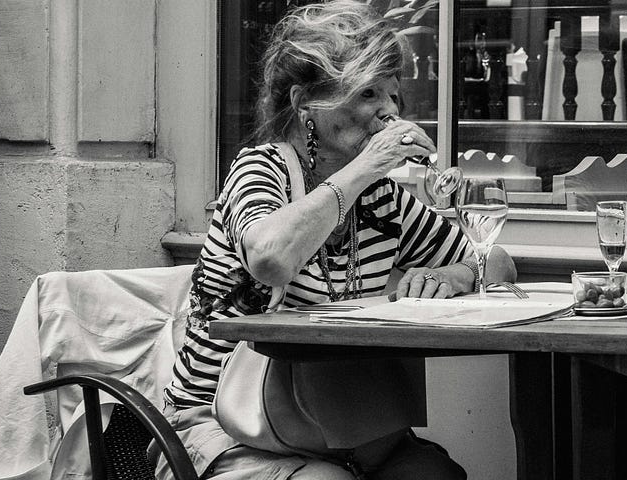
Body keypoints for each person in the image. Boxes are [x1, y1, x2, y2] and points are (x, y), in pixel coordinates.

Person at [160, 2, 514, 478]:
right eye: (368, 93)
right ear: (306, 102)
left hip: (341, 426)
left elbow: (498, 261)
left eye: (393, 96)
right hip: (224, 423)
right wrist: (364, 167)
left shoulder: (384, 198)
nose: (389, 111)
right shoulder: (260, 168)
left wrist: (453, 272)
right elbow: (270, 259)